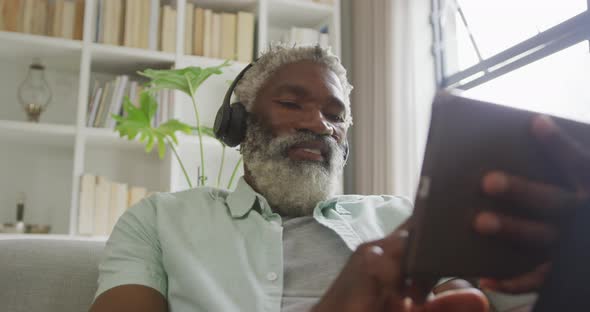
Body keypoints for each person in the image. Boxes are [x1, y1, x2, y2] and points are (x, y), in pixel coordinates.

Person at [89, 45, 589, 312]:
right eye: (291, 103)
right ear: (238, 124)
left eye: (335, 115)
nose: (319, 125)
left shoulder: (398, 219)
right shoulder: (159, 221)